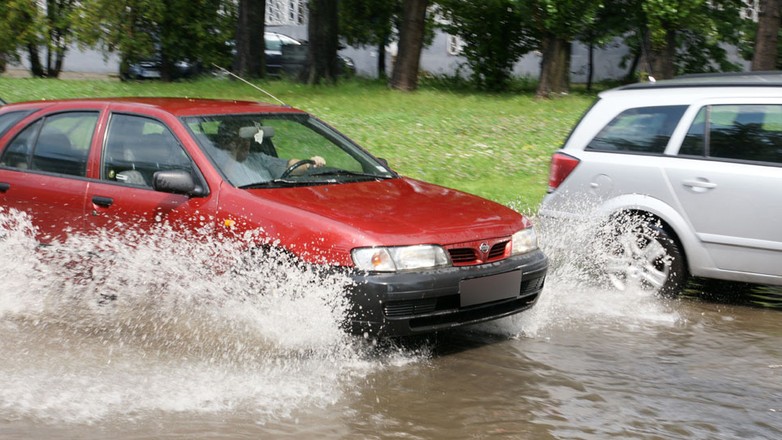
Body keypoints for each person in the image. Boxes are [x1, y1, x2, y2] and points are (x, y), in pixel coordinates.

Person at [212, 123, 325, 186]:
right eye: (240, 140)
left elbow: (290, 166)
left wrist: (310, 163)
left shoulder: (258, 158)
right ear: (226, 141)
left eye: (247, 140)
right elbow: (222, 184)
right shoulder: (214, 162)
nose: (246, 144)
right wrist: (233, 153)